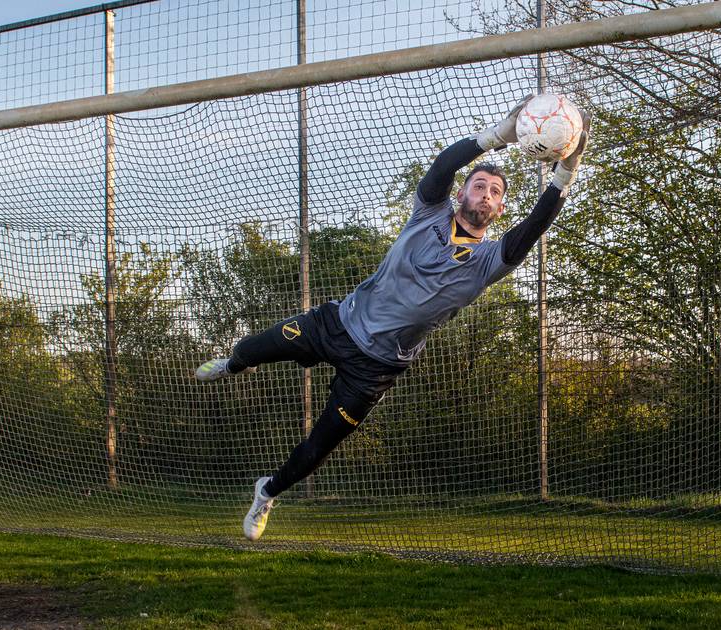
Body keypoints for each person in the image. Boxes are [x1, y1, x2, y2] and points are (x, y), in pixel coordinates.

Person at [195, 95, 590, 541]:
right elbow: (442, 167)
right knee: (251, 350)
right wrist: (497, 136)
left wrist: (565, 173)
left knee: (319, 447)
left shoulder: (487, 261)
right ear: (462, 193)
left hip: (376, 368)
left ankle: (267, 491)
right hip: (337, 324)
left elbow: (533, 229)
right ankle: (231, 364)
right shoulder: (428, 213)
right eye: (479, 185)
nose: (486, 194)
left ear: (499, 211)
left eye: (495, 193)